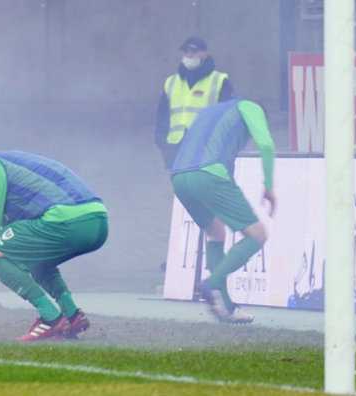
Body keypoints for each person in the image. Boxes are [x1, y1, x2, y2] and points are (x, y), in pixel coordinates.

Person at [0, 138, 109, 341]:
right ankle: (72, 315)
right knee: (28, 253)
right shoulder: (8, 164)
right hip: (97, 222)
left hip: (68, 221)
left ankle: (50, 318)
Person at [170, 99, 277, 324]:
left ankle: (226, 308)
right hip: (210, 173)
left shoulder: (209, 111)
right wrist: (268, 185)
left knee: (215, 231)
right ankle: (213, 282)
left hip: (179, 176)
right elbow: (266, 144)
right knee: (258, 234)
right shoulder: (251, 107)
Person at [155, 36, 235, 170]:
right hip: (176, 148)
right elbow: (162, 117)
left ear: (204, 54)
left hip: (206, 149)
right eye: (186, 52)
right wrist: (163, 144)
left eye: (193, 51)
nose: (189, 55)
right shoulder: (171, 82)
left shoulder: (219, 81)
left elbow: (229, 118)